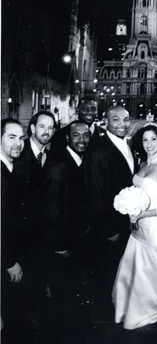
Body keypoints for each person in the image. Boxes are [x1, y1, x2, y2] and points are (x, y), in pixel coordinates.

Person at [112, 125, 157, 330]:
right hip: (137, 226)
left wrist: (145, 214)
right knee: (137, 267)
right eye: (145, 140)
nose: (149, 144)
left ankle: (151, 305)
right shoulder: (142, 164)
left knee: (155, 268)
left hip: (156, 227)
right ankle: (133, 304)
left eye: (153, 139)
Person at [82, 106, 136, 296]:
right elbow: (94, 195)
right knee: (107, 274)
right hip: (110, 228)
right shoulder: (98, 151)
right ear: (106, 122)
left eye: (126, 119)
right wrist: (108, 230)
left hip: (126, 225)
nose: (123, 124)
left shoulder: (128, 145)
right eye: (116, 120)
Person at [42, 121, 91, 301]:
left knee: (73, 289)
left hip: (78, 240)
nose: (82, 140)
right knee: (63, 294)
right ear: (67, 138)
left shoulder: (82, 160)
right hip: (63, 244)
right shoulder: (58, 165)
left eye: (86, 136)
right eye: (76, 135)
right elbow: (51, 211)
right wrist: (60, 247)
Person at [13, 111, 56, 309]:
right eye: (42, 126)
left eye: (50, 128)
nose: (46, 131)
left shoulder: (49, 155)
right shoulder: (20, 156)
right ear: (32, 128)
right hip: (22, 234)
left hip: (41, 232)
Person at [1, 119, 26, 339]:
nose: (18, 143)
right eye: (11, 137)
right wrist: (9, 262)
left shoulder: (10, 168)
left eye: (21, 138)